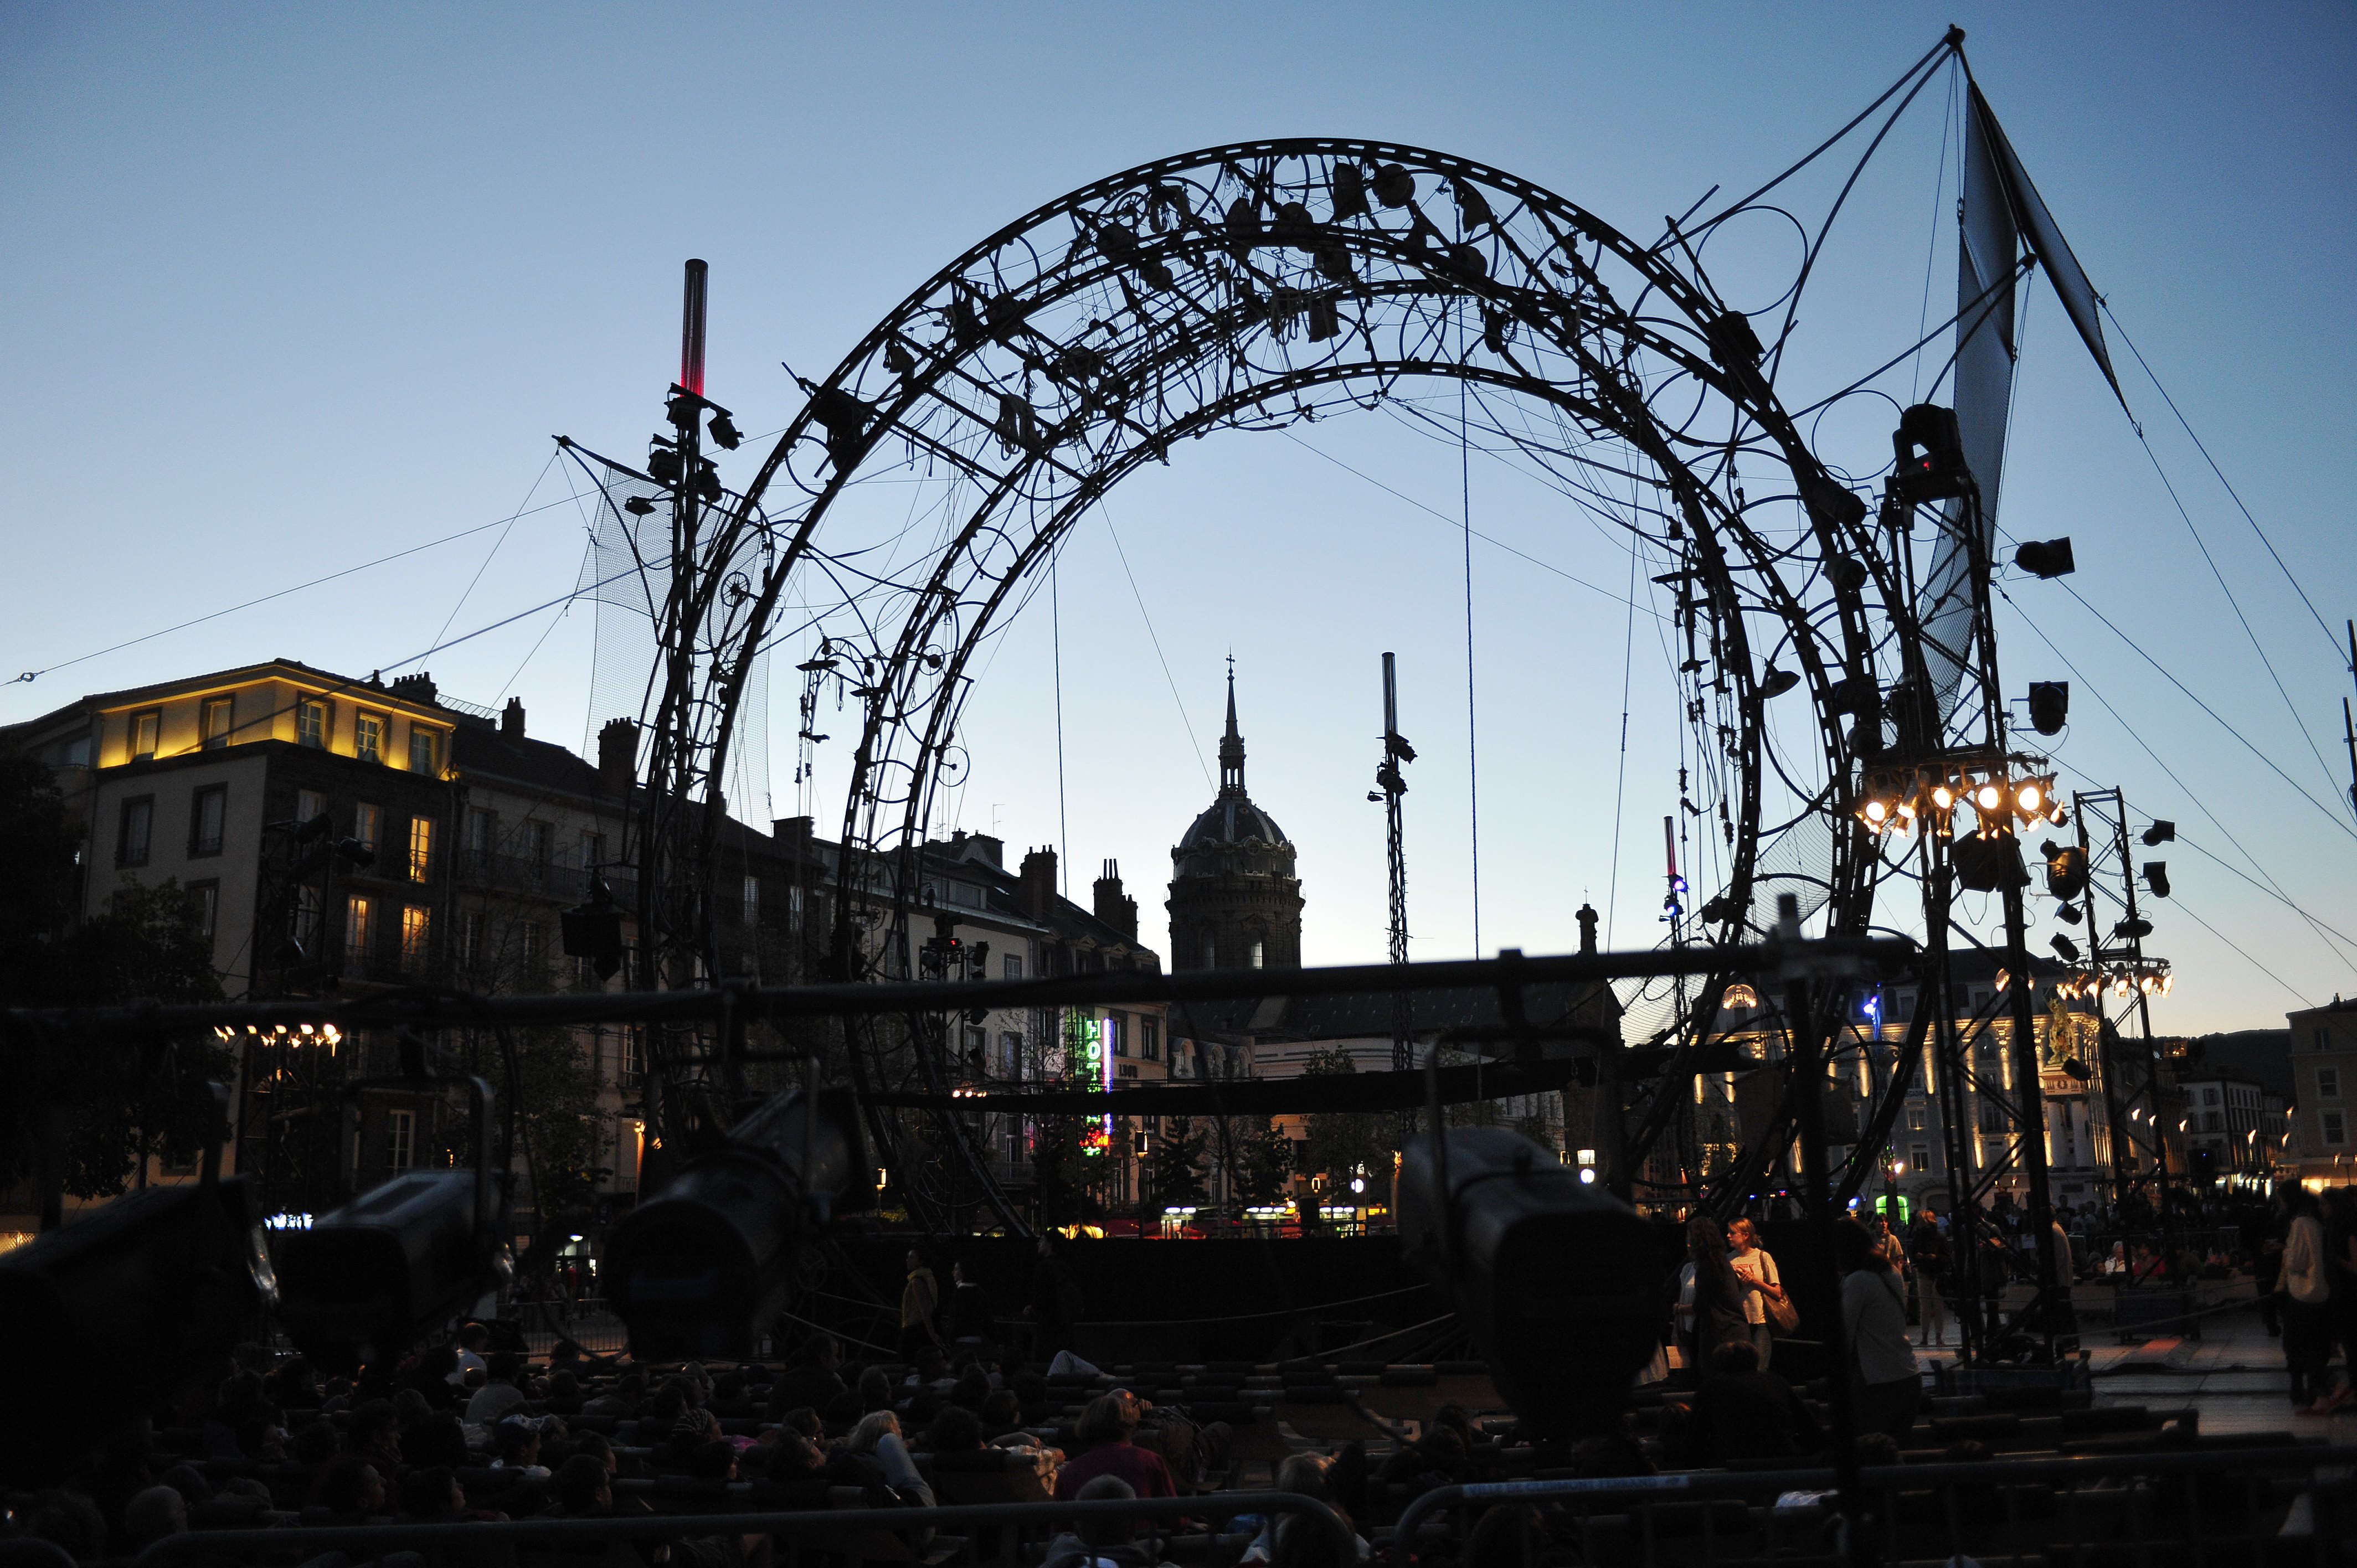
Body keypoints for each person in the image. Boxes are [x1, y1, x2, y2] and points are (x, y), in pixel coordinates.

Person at [1838, 1219, 1920, 1445]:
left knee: (1871, 1447)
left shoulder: (1857, 1281)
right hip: (1907, 1373)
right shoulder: (1891, 1272)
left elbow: (1845, 1332)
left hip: (1876, 1380)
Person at [1690, 1340, 1821, 1463]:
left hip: (1733, 1460)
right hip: (1780, 1456)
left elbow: (1697, 1432)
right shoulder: (1775, 1382)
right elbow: (1805, 1421)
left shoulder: (1712, 1388)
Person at [1052, 1394, 1176, 1500]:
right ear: (1130, 1425)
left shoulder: (1070, 1472)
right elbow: (1174, 1515)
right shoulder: (1150, 1461)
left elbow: (1060, 1520)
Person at [1675, 1216, 1753, 1381]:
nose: (1688, 1244)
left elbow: (1701, 1305)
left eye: (1691, 1239)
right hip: (1736, 1331)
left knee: (1718, 1382)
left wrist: (1679, 1309)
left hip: (1720, 1336)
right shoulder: (1722, 1264)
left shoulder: (1707, 1267)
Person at [1725, 1217, 1788, 1369]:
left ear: (1746, 1235)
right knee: (1740, 1369)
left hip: (1760, 1322)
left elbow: (1777, 1293)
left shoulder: (1762, 1257)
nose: (1728, 1236)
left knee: (1759, 1368)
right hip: (1738, 1323)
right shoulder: (1728, 1259)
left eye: (1733, 1233)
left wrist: (1754, 1281)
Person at [1910, 1210, 1952, 1348]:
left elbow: (1947, 1257)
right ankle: (1932, 1337)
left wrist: (1934, 1257)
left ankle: (1929, 1337)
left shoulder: (1933, 1237)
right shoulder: (1932, 1236)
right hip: (1928, 1271)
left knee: (1930, 1307)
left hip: (1933, 1273)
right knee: (1930, 1307)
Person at [901, 1249, 942, 1359]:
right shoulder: (928, 1277)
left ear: (921, 1261)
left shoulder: (917, 1281)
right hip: (922, 1326)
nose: (908, 1260)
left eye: (912, 1257)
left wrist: (932, 1333)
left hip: (916, 1327)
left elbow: (924, 1309)